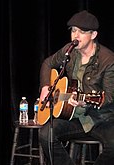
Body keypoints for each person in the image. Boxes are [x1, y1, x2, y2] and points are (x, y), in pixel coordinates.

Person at [38, 10, 114, 165]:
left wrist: (85, 102)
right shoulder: (69, 51)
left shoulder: (108, 60)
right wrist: (46, 86)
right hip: (74, 117)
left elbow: (110, 97)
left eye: (82, 32)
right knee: (46, 134)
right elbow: (48, 63)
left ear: (93, 35)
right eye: (73, 30)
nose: (75, 36)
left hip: (100, 119)